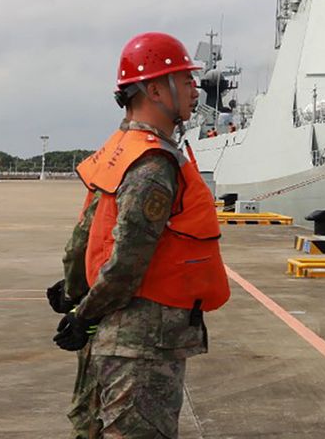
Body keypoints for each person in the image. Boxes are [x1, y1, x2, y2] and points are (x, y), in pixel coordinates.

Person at [55, 32, 229, 437]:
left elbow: (87, 234)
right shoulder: (153, 165)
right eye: (184, 79)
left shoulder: (123, 149)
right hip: (143, 344)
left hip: (117, 336)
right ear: (155, 89)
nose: (194, 87)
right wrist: (83, 314)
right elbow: (129, 260)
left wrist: (74, 292)